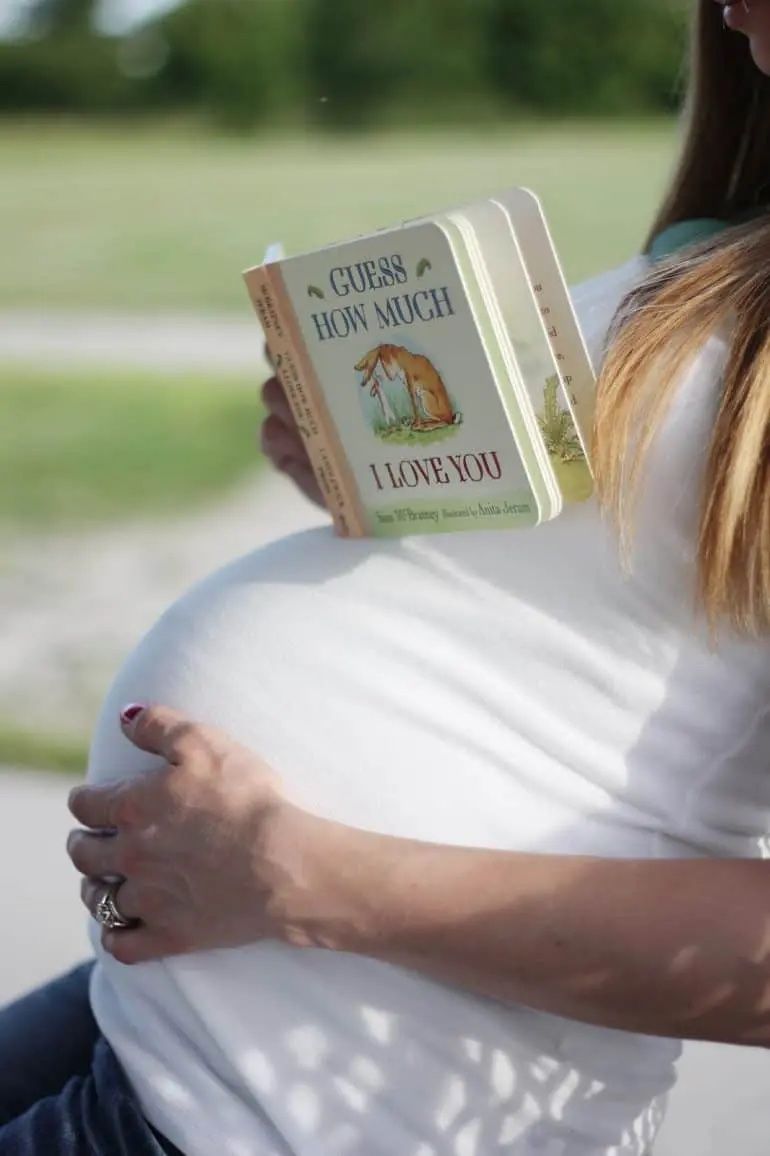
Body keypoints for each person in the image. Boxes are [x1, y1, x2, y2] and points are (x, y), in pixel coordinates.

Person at [3, 1, 770, 1152]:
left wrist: (303, 875)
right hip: (209, 1006)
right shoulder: (726, 238)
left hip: (329, 1089)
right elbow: (623, 596)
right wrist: (382, 474)